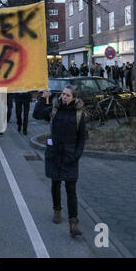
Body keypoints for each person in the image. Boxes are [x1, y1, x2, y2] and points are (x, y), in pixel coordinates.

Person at [33, 85, 86, 238]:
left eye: (67, 95)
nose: (64, 97)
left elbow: (82, 138)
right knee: (55, 184)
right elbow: (36, 114)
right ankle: (57, 209)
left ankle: (73, 222)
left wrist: (76, 155)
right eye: (63, 94)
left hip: (70, 156)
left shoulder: (79, 114)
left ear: (74, 98)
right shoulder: (55, 109)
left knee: (71, 189)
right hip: (55, 153)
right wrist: (43, 98)